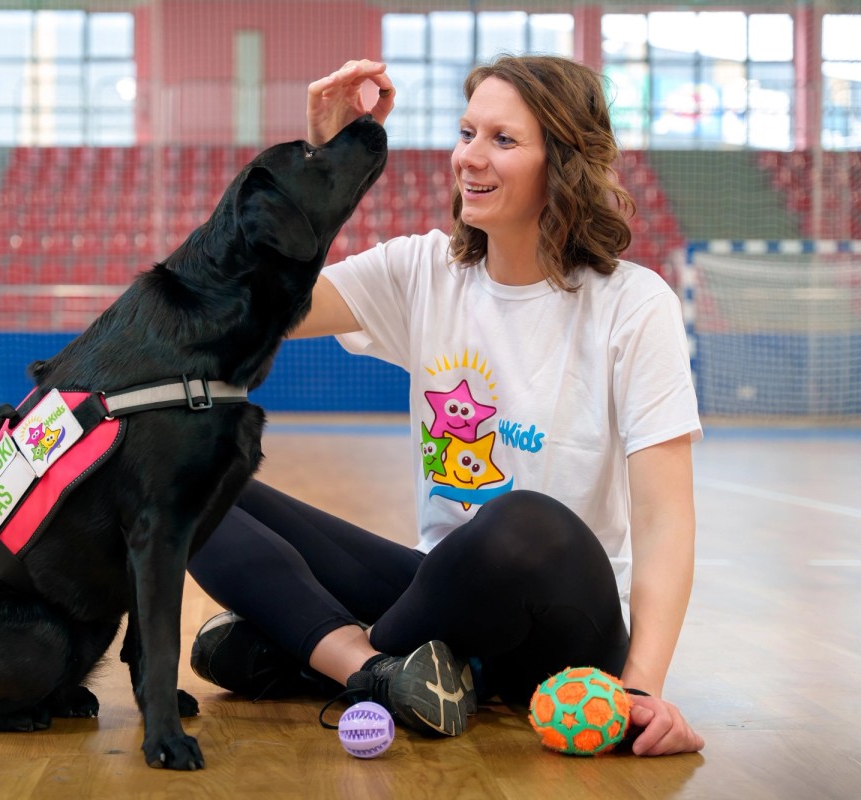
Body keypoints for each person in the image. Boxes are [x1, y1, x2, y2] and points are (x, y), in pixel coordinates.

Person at [187, 55, 705, 757]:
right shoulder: (424, 270)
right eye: (467, 133)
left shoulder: (632, 304)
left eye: (503, 139)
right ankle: (373, 671)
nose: (470, 158)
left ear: (566, 162)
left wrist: (641, 690)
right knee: (184, 473)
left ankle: (307, 646)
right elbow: (250, 306)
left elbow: (665, 515)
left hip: (560, 624)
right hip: (436, 596)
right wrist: (317, 170)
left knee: (521, 523)